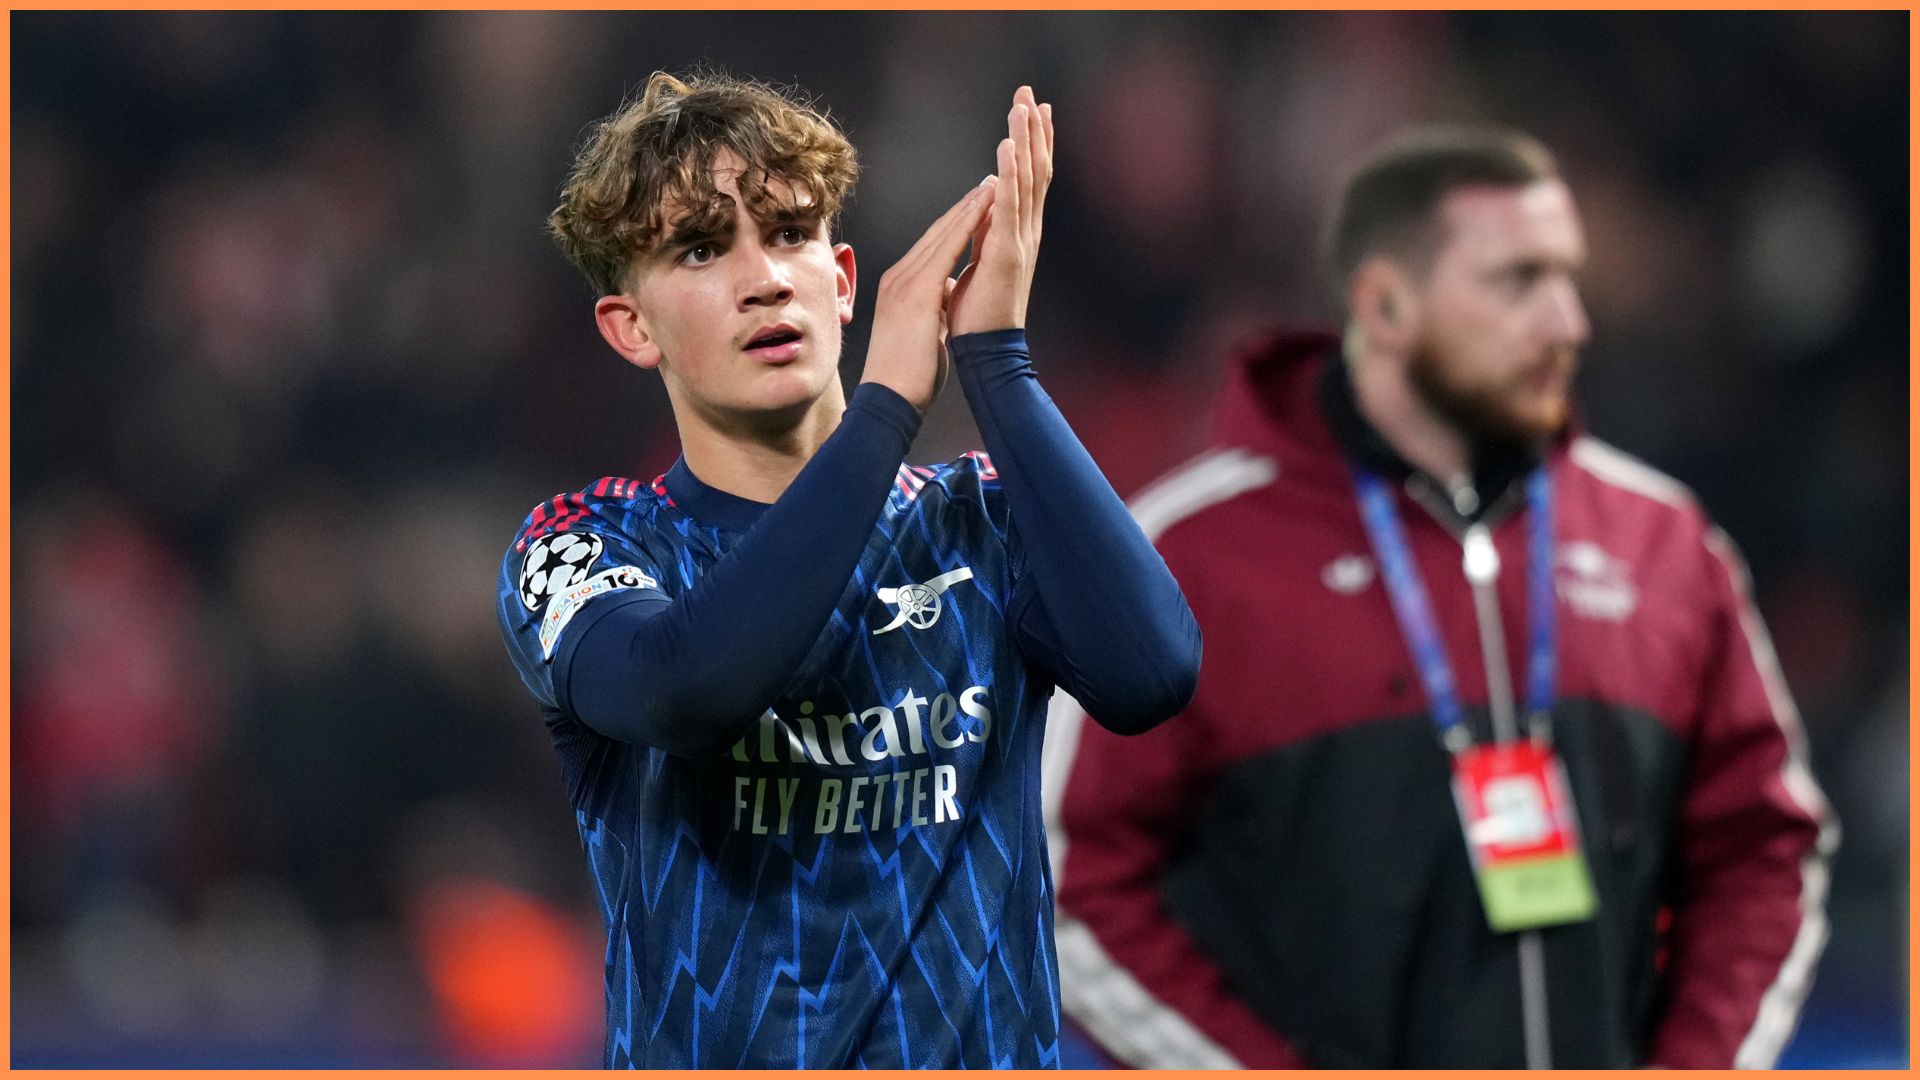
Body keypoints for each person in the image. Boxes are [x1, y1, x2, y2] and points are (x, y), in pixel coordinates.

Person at [1045, 126, 1837, 1069]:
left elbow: (1764, 851)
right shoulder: (1185, 556)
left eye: (1569, 279)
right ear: (1384, 304)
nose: (1568, 322)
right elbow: (1068, 885)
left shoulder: (1664, 543)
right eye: (1520, 282)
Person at [494, 72, 1200, 1069]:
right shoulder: (589, 544)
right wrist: (882, 410)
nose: (764, 278)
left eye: (788, 233)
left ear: (843, 277)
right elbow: (688, 690)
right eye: (701, 249)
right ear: (630, 327)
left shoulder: (981, 517)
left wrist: (997, 357)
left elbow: (1153, 672)